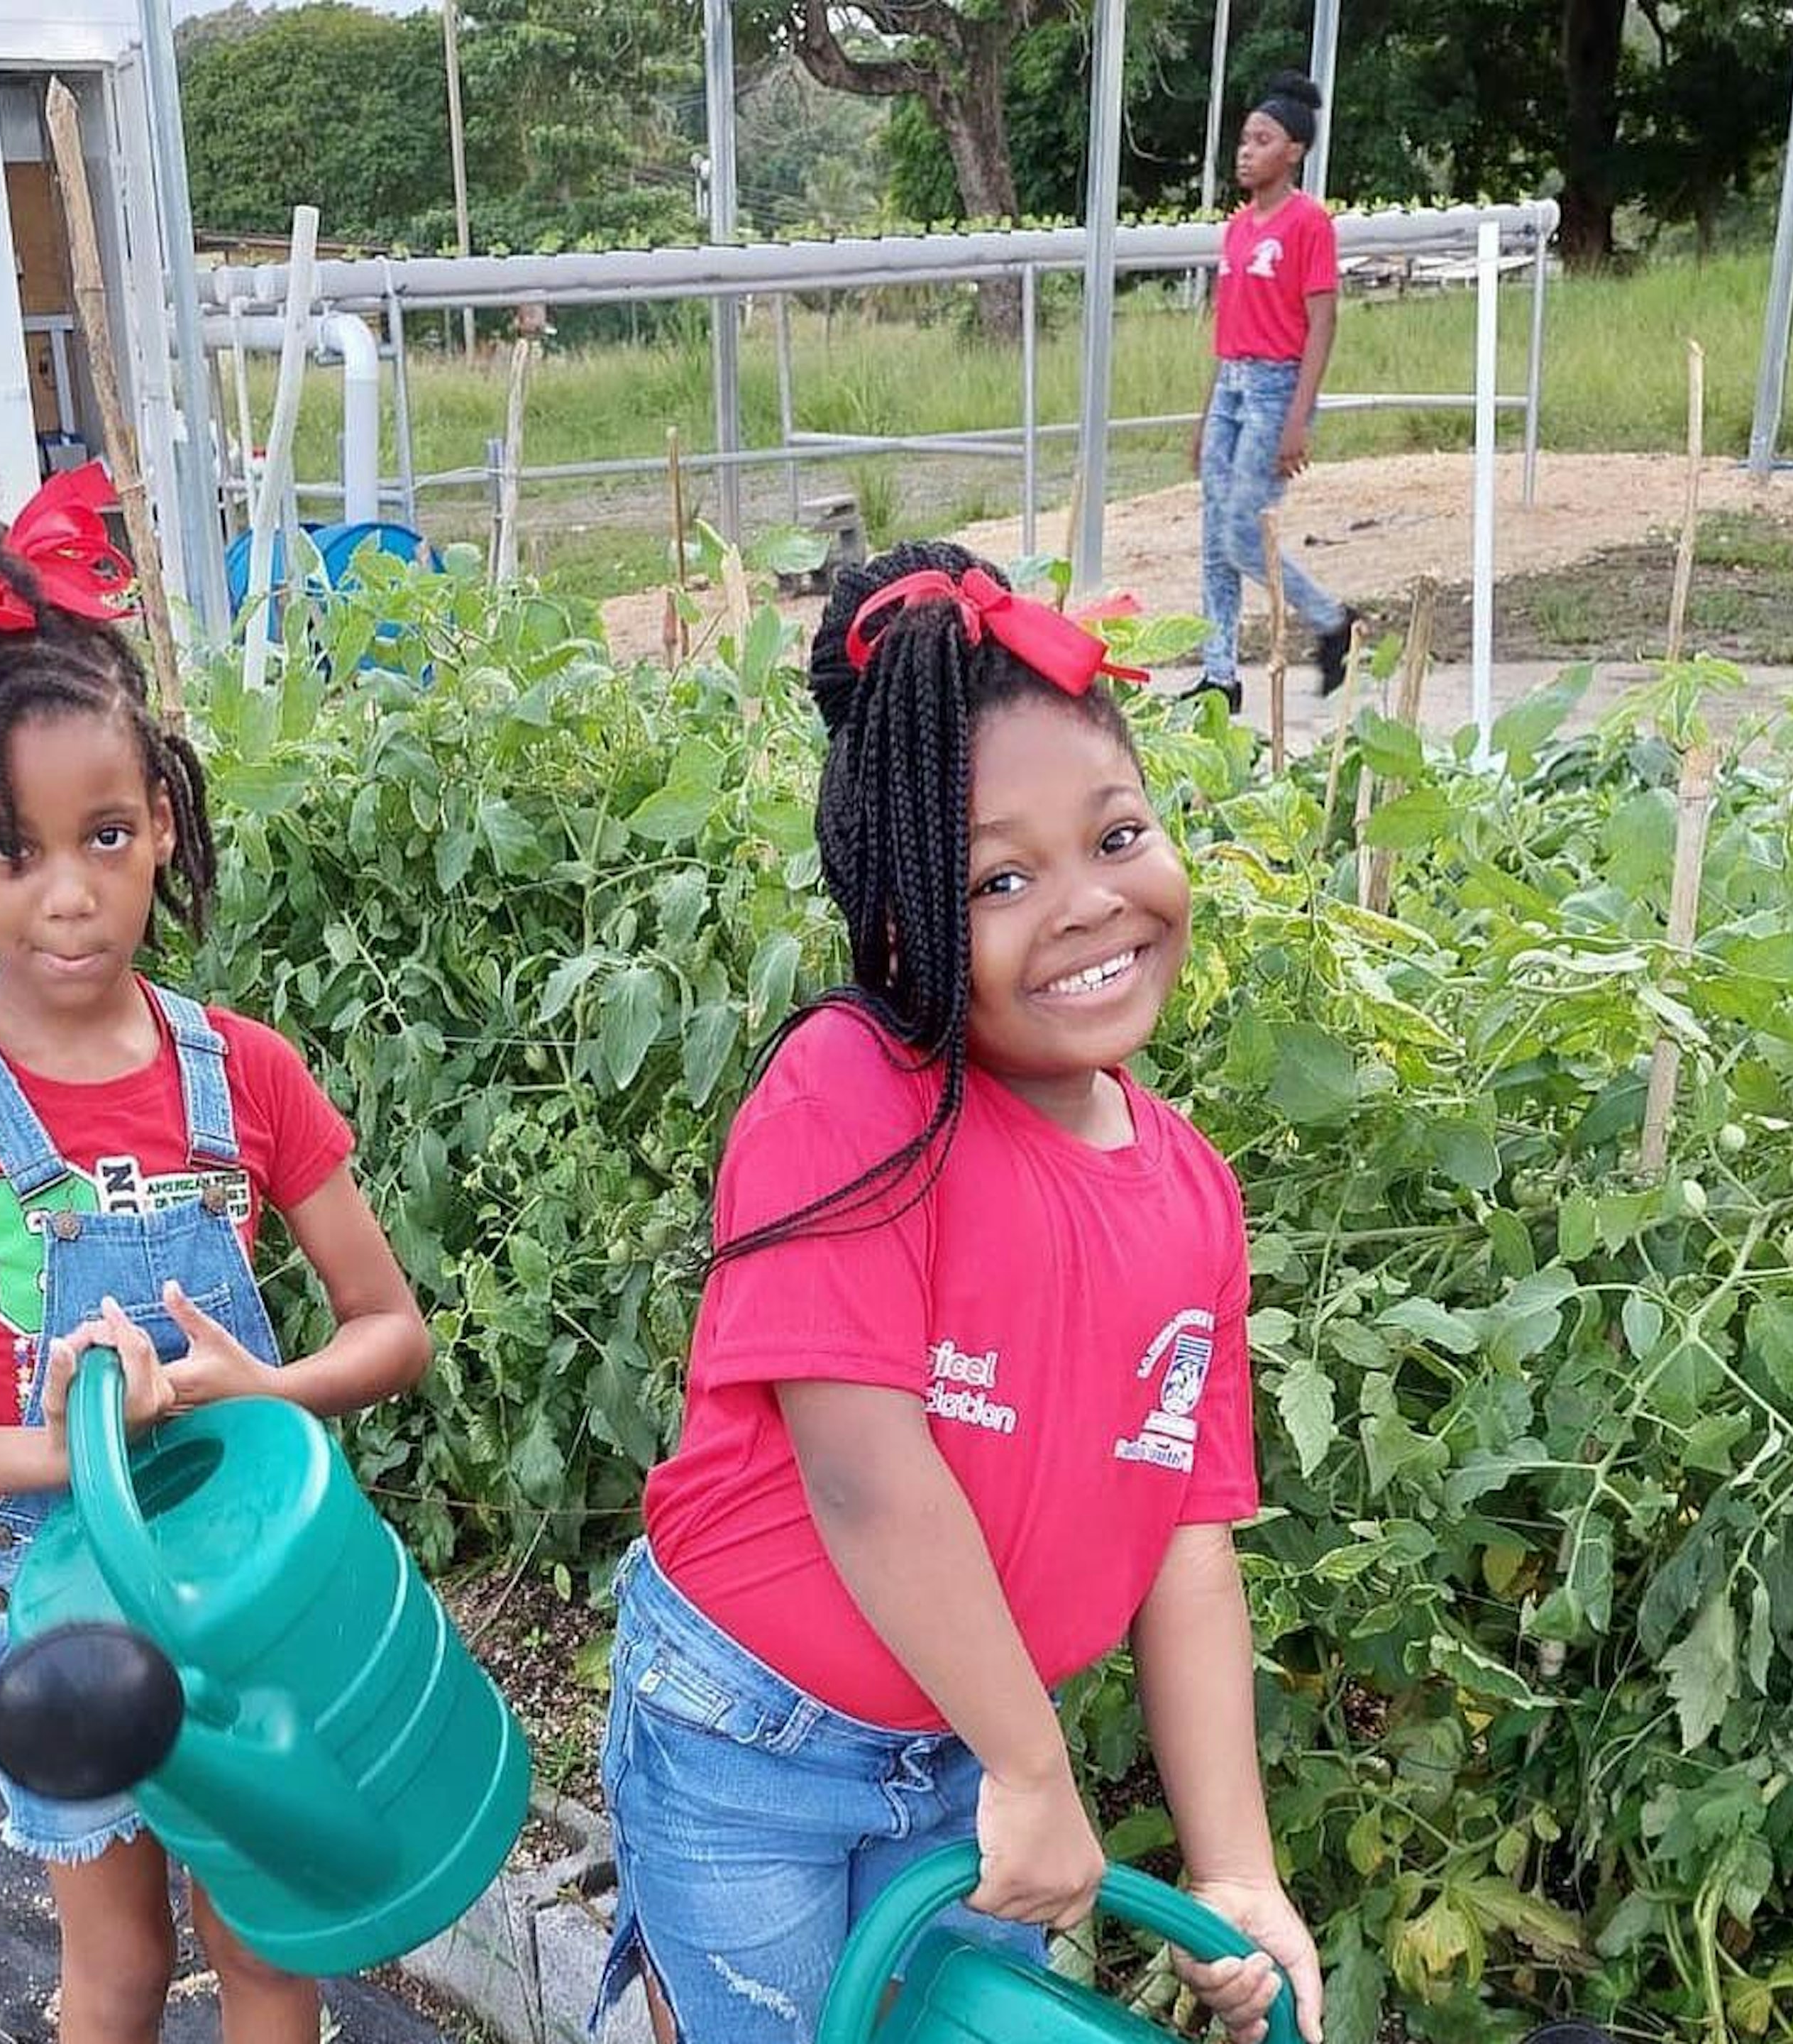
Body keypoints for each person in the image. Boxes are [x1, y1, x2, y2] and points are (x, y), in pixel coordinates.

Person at [595, 542, 1325, 2044]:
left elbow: (1186, 1539)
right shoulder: (849, 1093)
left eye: (1117, 837)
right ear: (900, 922)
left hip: (965, 1759)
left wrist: (1237, 1870)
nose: (1084, 906)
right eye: (1000, 875)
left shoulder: (1191, 1189)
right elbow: (868, 1481)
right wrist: (1041, 1774)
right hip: (753, 1739)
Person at [0, 459, 433, 2044]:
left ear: (163, 818)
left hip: (254, 1595)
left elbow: (391, 1331)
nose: (71, 895)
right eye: (15, 853)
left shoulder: (249, 1073)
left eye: (104, 834)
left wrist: (269, 1384)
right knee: (120, 1968)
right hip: (60, 1604)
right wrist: (72, 1444)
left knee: (269, 1949)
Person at [1189, 70, 1356, 713]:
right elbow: (1226, 331)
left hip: (1275, 386)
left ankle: (1332, 618)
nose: (1247, 150)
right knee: (1213, 538)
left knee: (1240, 532)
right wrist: (1207, 417)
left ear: (1294, 152)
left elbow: (1322, 322)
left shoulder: (1309, 223)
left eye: (1263, 140)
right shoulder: (1237, 228)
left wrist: (1297, 419)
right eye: (1244, 139)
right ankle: (1219, 675)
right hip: (1232, 383)